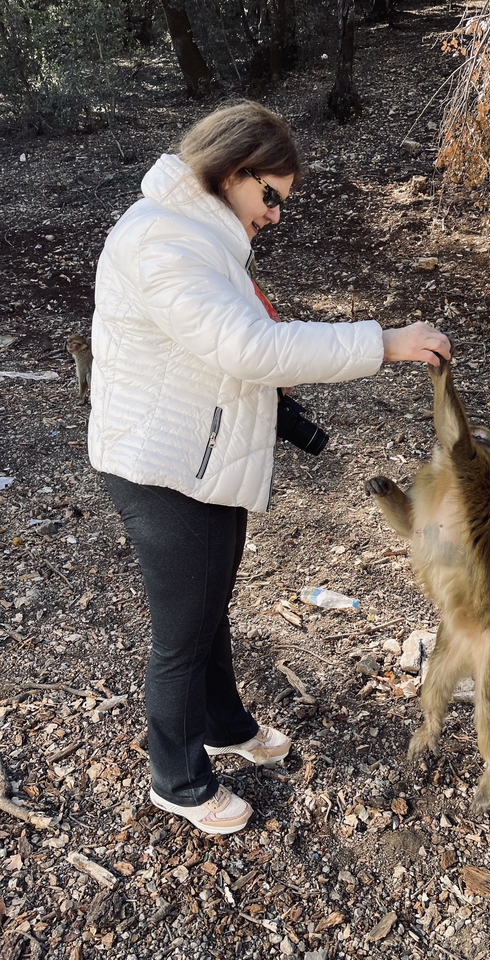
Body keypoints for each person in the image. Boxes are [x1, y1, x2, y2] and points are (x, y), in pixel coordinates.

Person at [88, 101, 450, 836]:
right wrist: (383, 341)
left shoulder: (198, 235)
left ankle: (223, 725)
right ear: (231, 171)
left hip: (197, 454)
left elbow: (232, 344)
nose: (277, 215)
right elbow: (250, 347)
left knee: (207, 607)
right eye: (272, 196)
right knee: (183, 634)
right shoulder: (163, 240)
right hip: (159, 464)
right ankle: (178, 779)